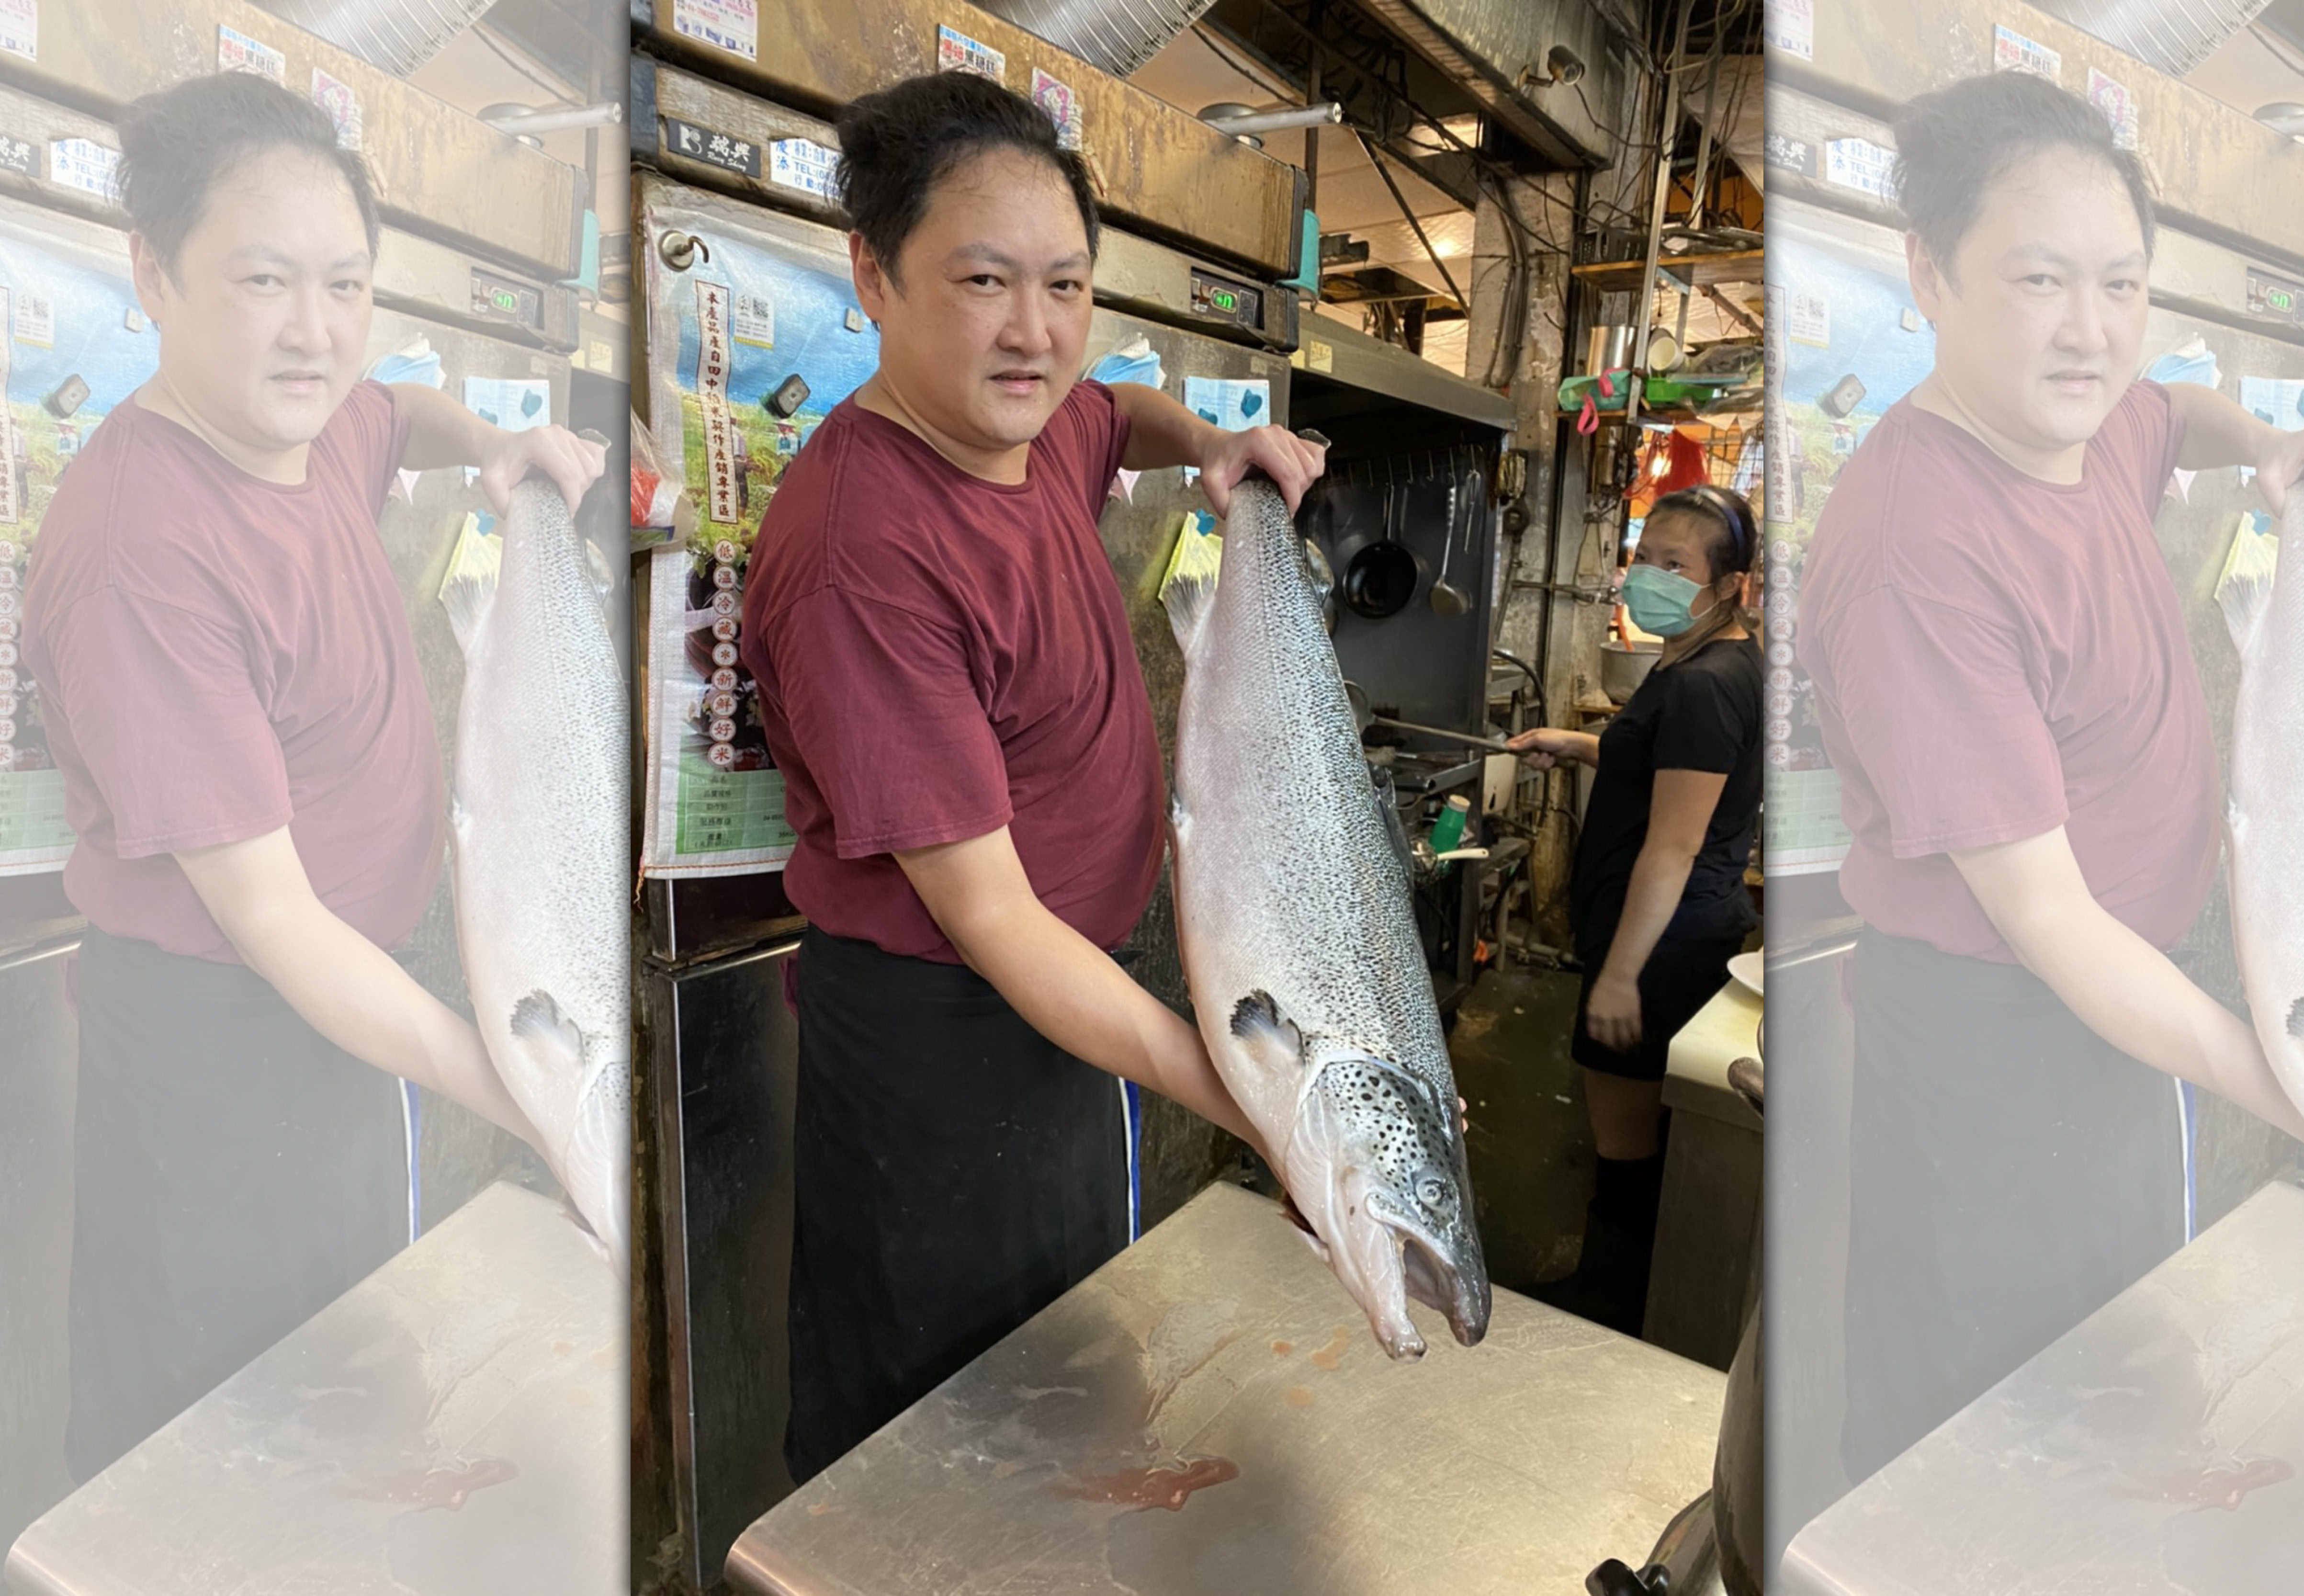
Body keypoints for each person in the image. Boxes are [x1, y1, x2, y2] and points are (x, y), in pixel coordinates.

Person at [738, 70, 1328, 1486]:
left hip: (1078, 1000)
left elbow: (1113, 409)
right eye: (985, 280)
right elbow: (992, 922)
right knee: (947, 1435)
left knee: (1067, 1365)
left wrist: (1218, 442)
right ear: (871, 276)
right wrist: (1253, 1099)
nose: (1036, 330)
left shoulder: (1030, 418)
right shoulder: (863, 548)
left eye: (1065, 283)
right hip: (946, 1041)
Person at [1794, 71, 2304, 1485]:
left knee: (2126, 1360)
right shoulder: (1918, 548)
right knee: (1999, 1433)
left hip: (2134, 1011)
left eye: (2121, 283)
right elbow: (2050, 924)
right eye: (2042, 279)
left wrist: (2277, 444)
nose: (2092, 328)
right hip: (2006, 1055)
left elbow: (2171, 409)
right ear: (1929, 271)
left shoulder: (2086, 420)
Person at [20, 71, 605, 1482]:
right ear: (152, 273)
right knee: (221, 1448)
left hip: (346, 1011)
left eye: (345, 283)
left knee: (346, 1382)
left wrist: (502, 442)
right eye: (266, 280)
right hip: (224, 1054)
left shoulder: (308, 420)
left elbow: (394, 411)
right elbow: (272, 922)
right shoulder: (141, 548)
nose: (316, 329)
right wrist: (529, 1090)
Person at [1508, 483, 1763, 1335]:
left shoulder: (1706, 683)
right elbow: (1660, 763)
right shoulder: (1696, 657)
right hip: (1670, 931)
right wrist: (1578, 745)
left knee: (1628, 1149)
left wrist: (1619, 975)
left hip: (1658, 943)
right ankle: (1629, 1297)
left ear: (1729, 584)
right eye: (1642, 558)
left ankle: (1608, 1312)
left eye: (1674, 565)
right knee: (1640, 1135)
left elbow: (1674, 843)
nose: (1646, 577)